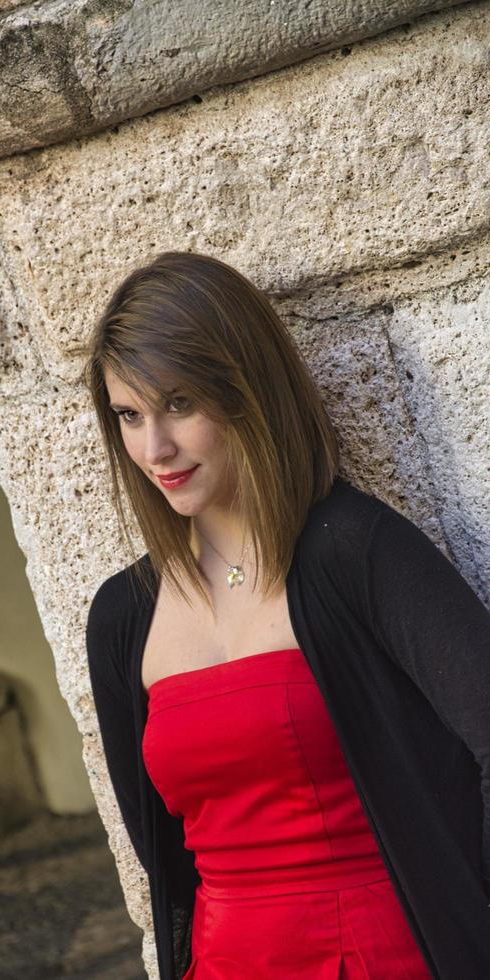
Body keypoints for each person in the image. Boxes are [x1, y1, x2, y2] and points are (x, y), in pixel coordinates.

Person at [81, 250, 490, 979]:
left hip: (381, 957)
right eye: (128, 415)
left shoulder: (356, 552)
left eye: (180, 404)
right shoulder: (122, 616)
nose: (155, 448)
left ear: (246, 390)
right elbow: (163, 856)